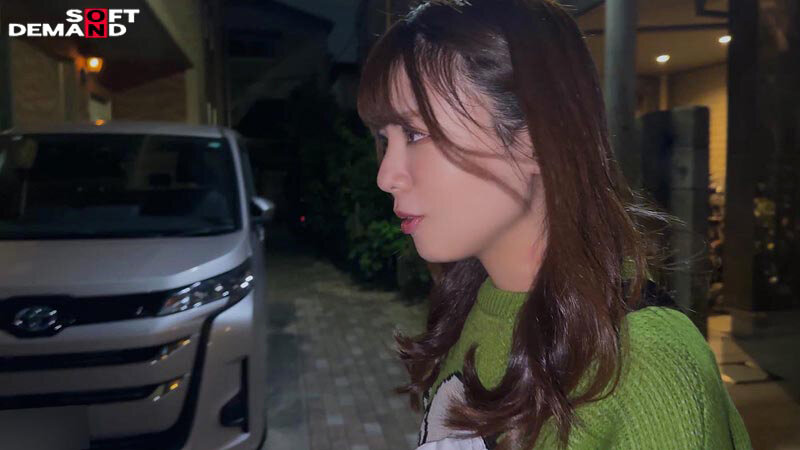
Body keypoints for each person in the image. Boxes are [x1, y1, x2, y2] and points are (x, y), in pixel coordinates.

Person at [356, 0, 753, 449]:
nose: (386, 176)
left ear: (533, 137)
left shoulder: (647, 366)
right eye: (384, 139)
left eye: (415, 133)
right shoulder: (471, 307)